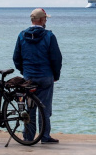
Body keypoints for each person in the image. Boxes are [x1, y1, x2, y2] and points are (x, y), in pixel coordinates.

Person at [13, 8, 63, 144]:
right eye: (45, 19)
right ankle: (45, 137)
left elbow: (16, 58)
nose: (46, 21)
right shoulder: (49, 36)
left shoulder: (22, 35)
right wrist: (56, 74)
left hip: (29, 77)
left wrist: (24, 71)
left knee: (30, 109)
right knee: (44, 108)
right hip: (46, 77)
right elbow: (56, 58)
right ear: (41, 20)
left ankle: (28, 137)